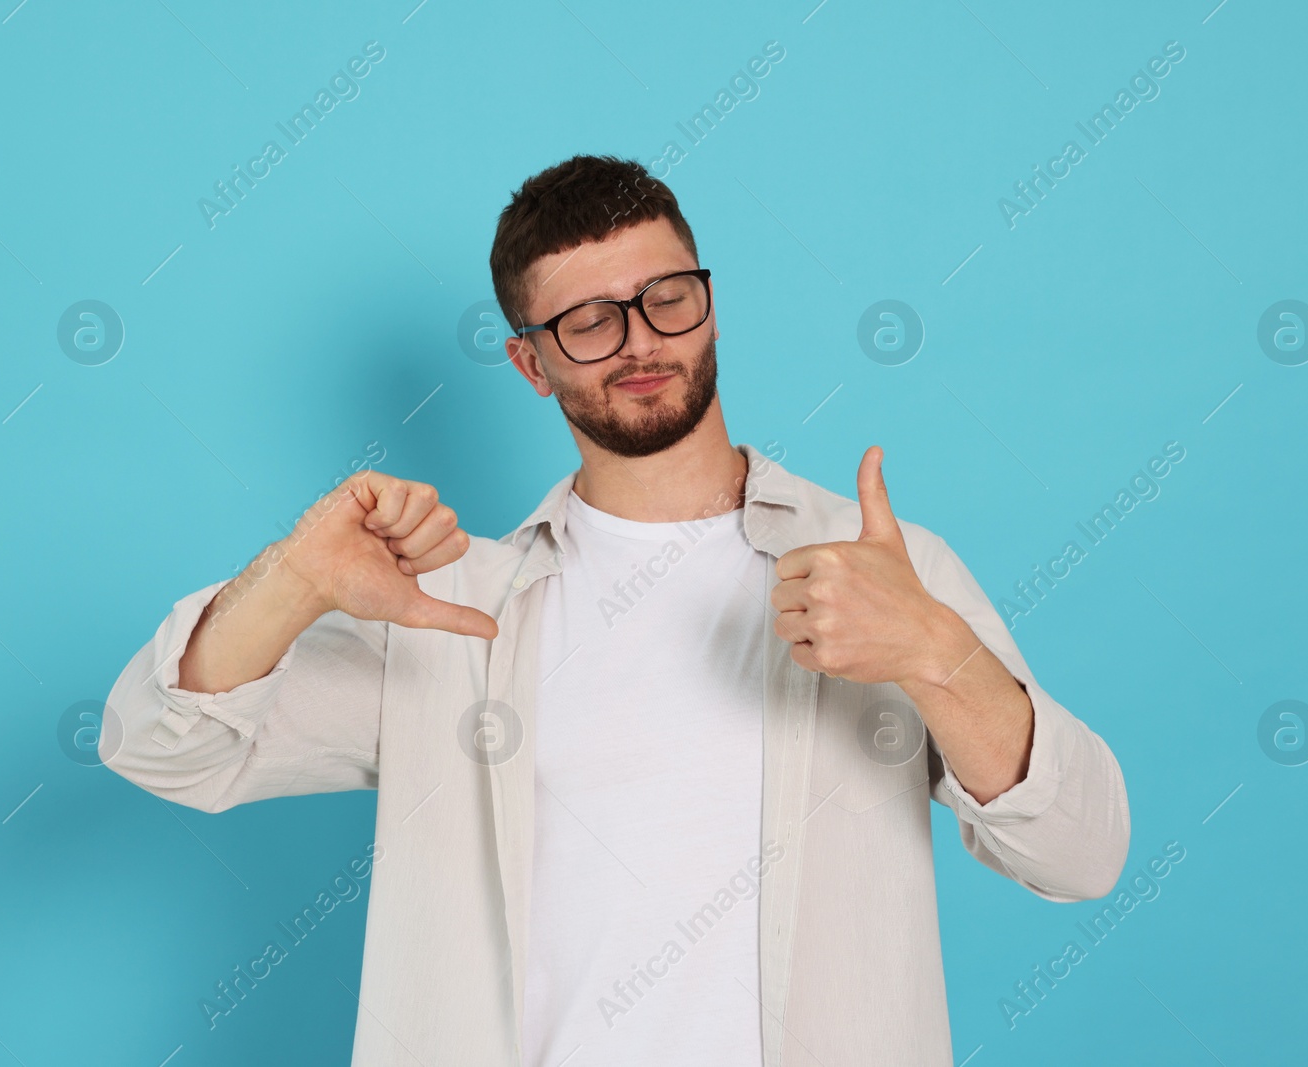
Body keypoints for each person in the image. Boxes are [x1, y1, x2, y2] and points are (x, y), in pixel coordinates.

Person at [102, 153, 1130, 1067]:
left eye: (665, 297)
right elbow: (164, 746)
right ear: (531, 361)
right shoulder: (447, 614)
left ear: (711, 303)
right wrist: (294, 576)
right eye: (586, 320)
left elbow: (1080, 854)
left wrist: (935, 651)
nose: (639, 341)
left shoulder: (880, 573)